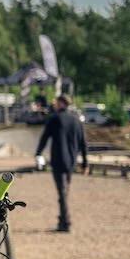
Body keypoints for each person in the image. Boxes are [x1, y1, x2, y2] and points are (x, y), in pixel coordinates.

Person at [35, 94, 89, 232]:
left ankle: (66, 222)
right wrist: (85, 164)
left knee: (62, 192)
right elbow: (84, 144)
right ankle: (62, 219)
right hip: (71, 161)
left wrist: (38, 153)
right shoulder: (77, 120)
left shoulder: (55, 119)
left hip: (58, 160)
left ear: (60, 103)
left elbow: (44, 137)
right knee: (64, 191)